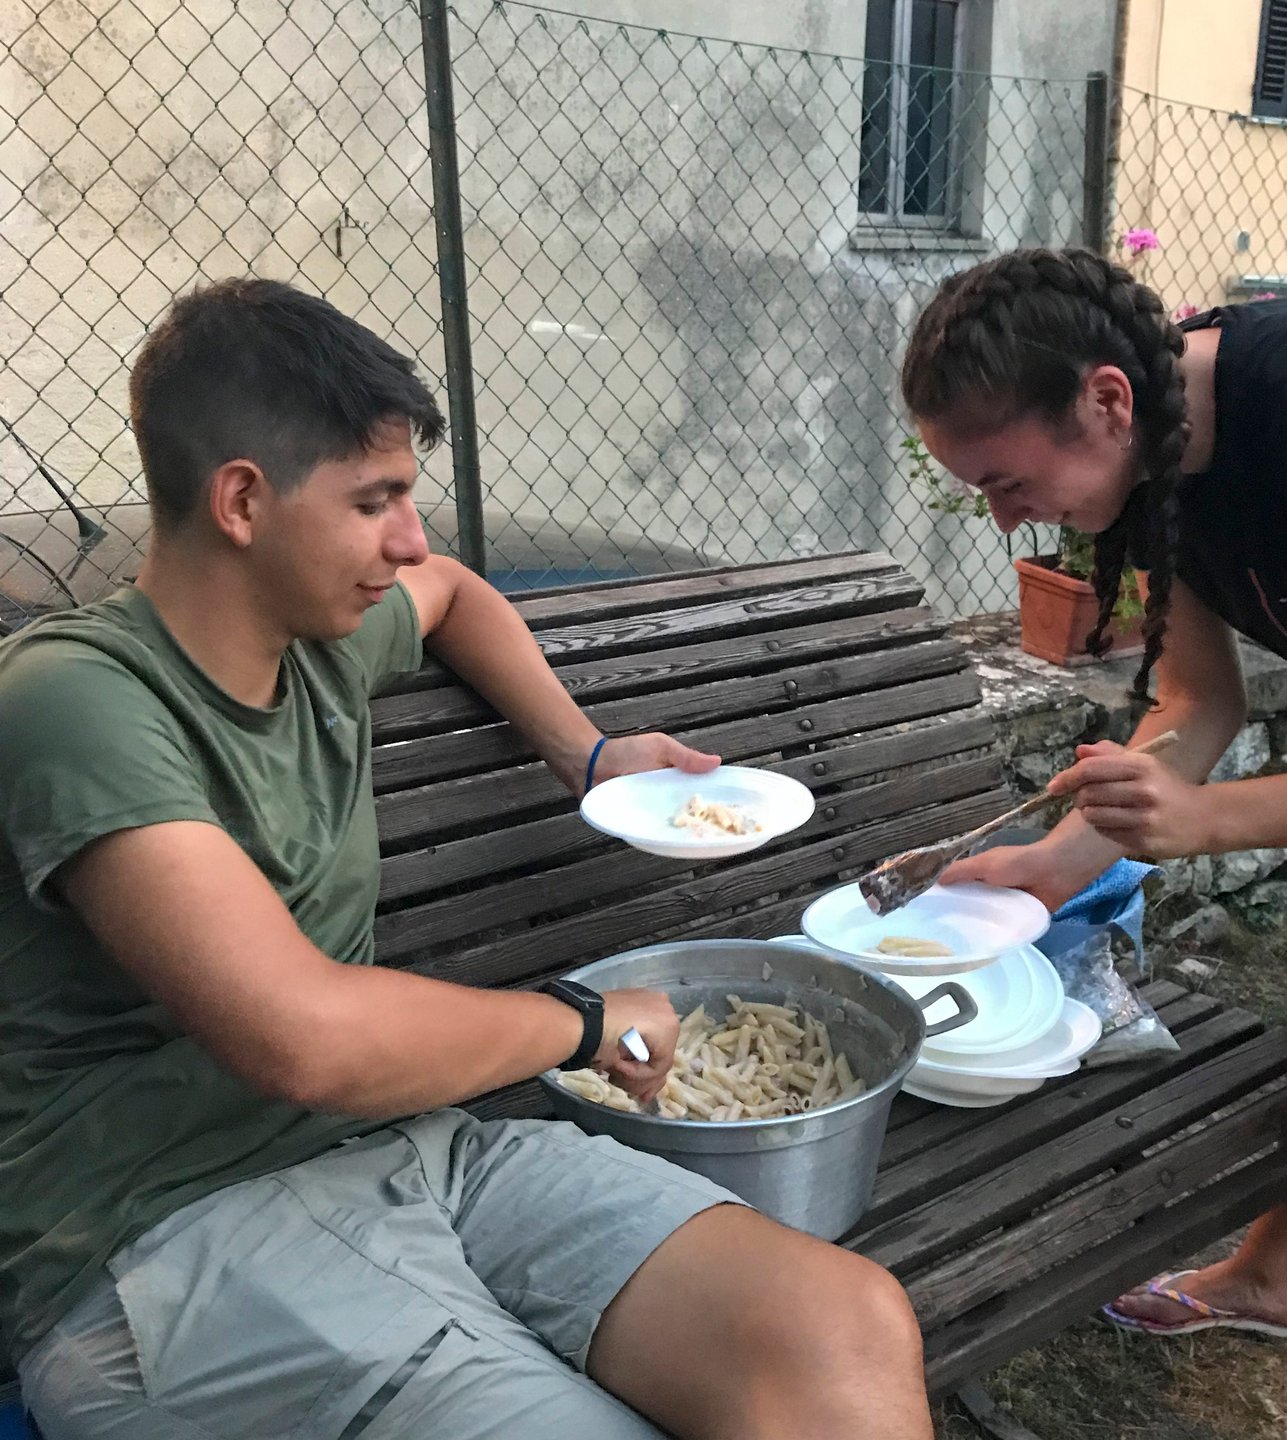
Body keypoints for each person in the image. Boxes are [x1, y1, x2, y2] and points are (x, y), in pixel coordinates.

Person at [0, 278, 933, 1440]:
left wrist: (588, 756)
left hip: (416, 1156)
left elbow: (449, 594)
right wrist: (584, 1025)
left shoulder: (316, 637)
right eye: (374, 501)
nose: (410, 538)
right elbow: (303, 1038)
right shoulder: (77, 699)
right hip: (158, 1242)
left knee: (842, 1323)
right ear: (241, 500)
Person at [899, 246, 1287, 1440]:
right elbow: (1199, 706)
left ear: (1105, 399)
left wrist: (1207, 824)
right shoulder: (1152, 462)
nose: (1005, 521)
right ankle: (1275, 1277)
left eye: (1006, 482)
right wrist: (1053, 869)